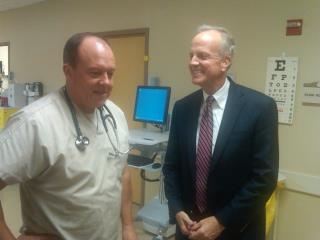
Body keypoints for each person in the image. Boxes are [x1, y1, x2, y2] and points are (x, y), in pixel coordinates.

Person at [0, 33, 138, 240]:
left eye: (110, 73)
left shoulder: (115, 115)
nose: (106, 82)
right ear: (68, 71)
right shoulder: (35, 123)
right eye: (95, 73)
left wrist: (127, 226)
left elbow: (123, 173)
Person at [163, 25, 279, 240]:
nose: (192, 62)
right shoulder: (183, 108)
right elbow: (171, 167)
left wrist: (221, 221)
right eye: (191, 55)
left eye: (202, 56)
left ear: (225, 61)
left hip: (237, 230)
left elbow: (264, 178)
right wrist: (177, 208)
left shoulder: (260, 108)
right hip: (189, 229)